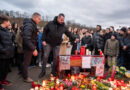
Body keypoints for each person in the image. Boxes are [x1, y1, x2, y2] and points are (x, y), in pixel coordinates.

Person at [39, 13, 79, 78]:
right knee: (45, 56)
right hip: (48, 43)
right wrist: (43, 40)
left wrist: (75, 38)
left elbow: (69, 33)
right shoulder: (50, 23)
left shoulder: (63, 26)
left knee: (56, 58)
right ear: (58, 18)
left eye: (63, 20)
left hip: (57, 44)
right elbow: (45, 31)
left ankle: (53, 71)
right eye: (61, 20)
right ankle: (43, 71)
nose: (62, 21)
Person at [22, 12, 41, 83]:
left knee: (25, 62)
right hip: (28, 47)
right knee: (26, 62)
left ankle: (23, 72)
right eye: (39, 19)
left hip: (29, 47)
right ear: (35, 18)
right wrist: (33, 48)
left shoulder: (32, 25)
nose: (40, 20)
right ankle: (25, 77)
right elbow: (26, 39)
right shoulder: (29, 25)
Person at [0, 15, 14, 90]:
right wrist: (4, 50)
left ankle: (3, 80)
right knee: (1, 70)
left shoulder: (6, 30)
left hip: (8, 55)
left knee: (5, 70)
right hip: (2, 55)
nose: (9, 23)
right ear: (5, 21)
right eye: (8, 21)